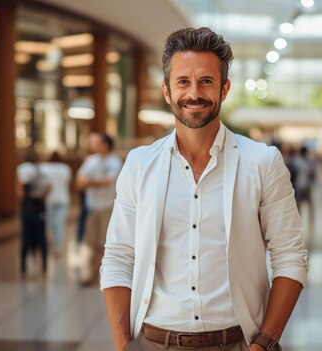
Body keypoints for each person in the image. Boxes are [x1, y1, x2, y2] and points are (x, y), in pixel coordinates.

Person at [101, 27, 308, 351]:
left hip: (238, 343)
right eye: (183, 81)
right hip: (152, 342)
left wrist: (263, 344)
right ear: (167, 91)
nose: (194, 93)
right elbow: (118, 258)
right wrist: (123, 347)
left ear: (224, 89)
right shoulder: (139, 164)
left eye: (206, 81)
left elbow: (290, 257)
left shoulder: (262, 162)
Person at [76, 133, 122, 287]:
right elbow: (79, 182)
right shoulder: (92, 161)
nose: (94, 146)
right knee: (90, 242)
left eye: (98, 143)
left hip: (107, 208)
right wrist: (93, 182)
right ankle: (90, 273)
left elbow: (108, 182)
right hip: (92, 207)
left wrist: (90, 182)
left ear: (106, 145)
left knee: (104, 243)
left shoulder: (114, 162)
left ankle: (100, 274)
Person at [17, 153, 50, 276]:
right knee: (42, 238)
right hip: (40, 209)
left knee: (26, 238)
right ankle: (44, 267)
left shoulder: (21, 170)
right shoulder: (41, 172)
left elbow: (19, 192)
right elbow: (49, 188)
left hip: (27, 209)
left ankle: (24, 267)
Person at [39, 152, 72, 256]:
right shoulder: (65, 168)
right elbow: (68, 182)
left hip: (49, 200)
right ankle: (58, 248)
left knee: (48, 224)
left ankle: (48, 245)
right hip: (63, 199)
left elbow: (41, 184)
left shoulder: (43, 168)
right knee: (59, 225)